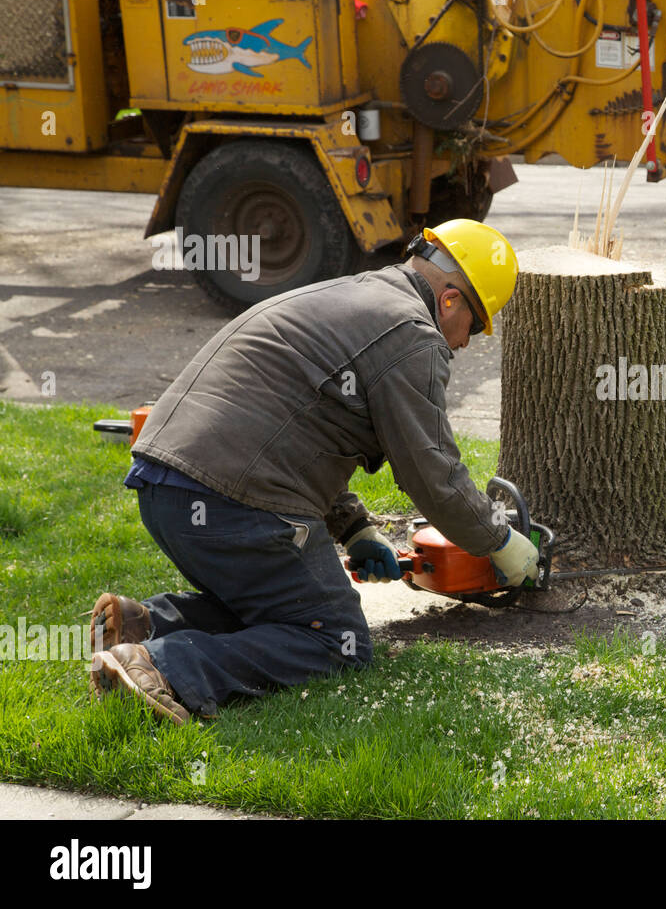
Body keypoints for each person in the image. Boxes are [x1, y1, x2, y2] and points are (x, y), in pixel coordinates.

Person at [87, 219, 540, 725]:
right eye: (475, 326)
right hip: (229, 499)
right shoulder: (412, 335)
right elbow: (432, 471)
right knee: (336, 640)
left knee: (285, 611)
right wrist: (498, 539)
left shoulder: (355, 294)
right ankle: (163, 666)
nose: (465, 343)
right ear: (451, 299)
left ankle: (145, 623)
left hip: (166, 484)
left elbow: (291, 427)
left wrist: (355, 527)